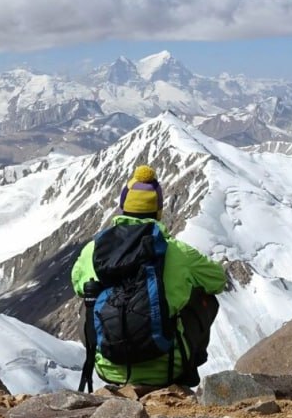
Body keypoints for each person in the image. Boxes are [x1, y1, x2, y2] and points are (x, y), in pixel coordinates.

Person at [71, 164, 226, 388]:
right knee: (205, 298)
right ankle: (189, 363)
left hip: (108, 369)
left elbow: (76, 285)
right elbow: (218, 281)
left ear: (123, 207)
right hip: (168, 369)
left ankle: (110, 362)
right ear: (159, 211)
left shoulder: (92, 251)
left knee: (87, 300)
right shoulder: (178, 252)